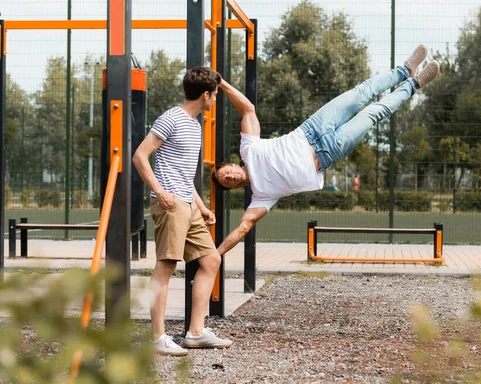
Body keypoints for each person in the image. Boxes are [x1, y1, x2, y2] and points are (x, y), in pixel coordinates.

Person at [212, 44, 439, 256]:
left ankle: (404, 69)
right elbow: (244, 227)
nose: (231, 177)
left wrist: (221, 82)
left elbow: (248, 110)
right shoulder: (261, 197)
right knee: (373, 113)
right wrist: (217, 253)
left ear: (231, 164)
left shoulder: (248, 148)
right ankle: (413, 84)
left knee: (361, 93)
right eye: (228, 182)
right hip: (328, 152)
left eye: (227, 173)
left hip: (312, 128)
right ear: (233, 187)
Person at [133, 66, 232, 356]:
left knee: (211, 260)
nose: (215, 99)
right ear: (206, 95)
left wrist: (201, 207)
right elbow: (140, 155)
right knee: (166, 267)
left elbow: (185, 174)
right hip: (170, 204)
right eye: (214, 94)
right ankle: (157, 337)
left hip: (188, 206)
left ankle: (196, 333)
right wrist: (160, 191)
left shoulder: (195, 125)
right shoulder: (171, 118)